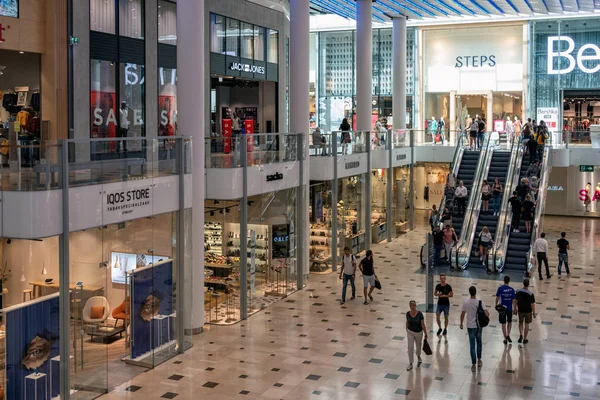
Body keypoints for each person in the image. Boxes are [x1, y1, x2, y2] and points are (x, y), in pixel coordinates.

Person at [460, 286, 489, 372]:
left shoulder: (466, 303)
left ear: (469, 292)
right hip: (479, 326)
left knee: (472, 345)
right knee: (479, 342)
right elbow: (486, 313)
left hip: (470, 326)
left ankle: (473, 364)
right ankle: (479, 360)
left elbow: (462, 314)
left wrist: (461, 323)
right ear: (475, 292)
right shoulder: (480, 302)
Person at [406, 300, 428, 371]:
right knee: (410, 347)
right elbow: (407, 321)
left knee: (418, 345)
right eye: (411, 305)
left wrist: (425, 333)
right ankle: (411, 363)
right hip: (410, 332)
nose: (412, 307)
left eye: (414, 305)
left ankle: (418, 356)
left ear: (415, 306)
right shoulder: (407, 313)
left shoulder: (420, 314)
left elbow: (423, 324)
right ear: (409, 306)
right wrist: (406, 328)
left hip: (419, 332)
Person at [495, 276, 517, 344]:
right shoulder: (512, 290)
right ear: (509, 281)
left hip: (502, 309)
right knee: (509, 322)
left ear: (503, 280)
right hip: (509, 309)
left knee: (503, 323)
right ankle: (508, 335)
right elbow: (514, 300)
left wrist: (496, 305)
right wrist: (515, 308)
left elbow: (497, 298)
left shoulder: (500, 288)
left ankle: (505, 339)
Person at [515, 279, 536, 344]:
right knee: (527, 324)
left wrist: (515, 308)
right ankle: (525, 339)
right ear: (528, 284)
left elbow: (516, 301)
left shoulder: (518, 291)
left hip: (520, 309)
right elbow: (532, 304)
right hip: (528, 311)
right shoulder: (531, 294)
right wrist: (534, 313)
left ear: (523, 283)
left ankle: (521, 334)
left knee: (520, 323)